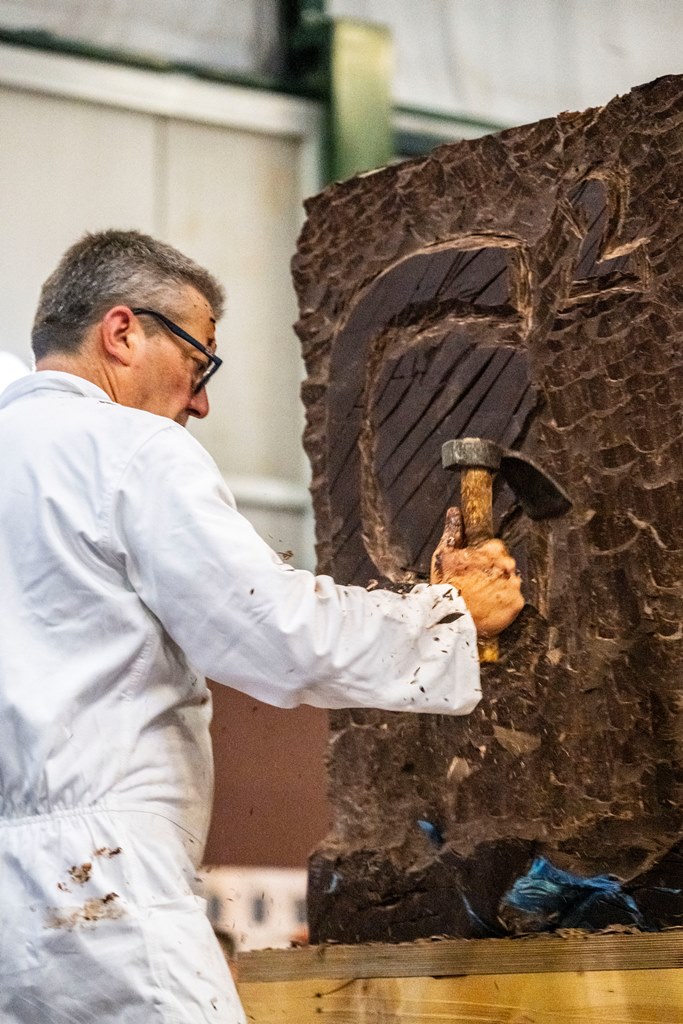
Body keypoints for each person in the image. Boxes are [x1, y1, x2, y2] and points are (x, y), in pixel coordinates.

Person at [0, 230, 523, 1023]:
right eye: (199, 362)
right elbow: (268, 629)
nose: (200, 400)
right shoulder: (128, 449)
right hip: (99, 885)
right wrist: (445, 617)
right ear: (121, 332)